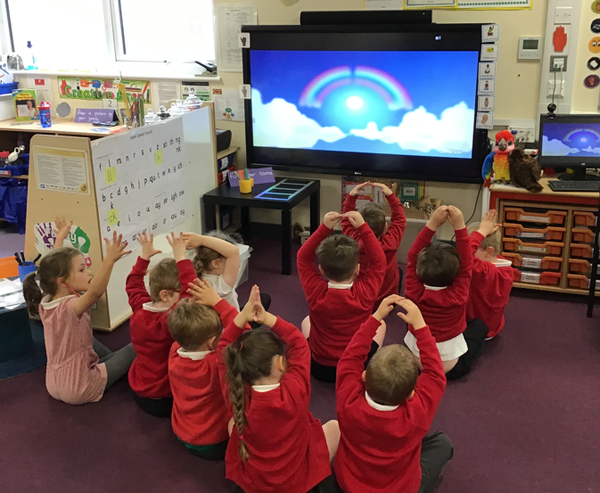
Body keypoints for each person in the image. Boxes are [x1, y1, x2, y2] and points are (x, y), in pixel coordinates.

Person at [218, 285, 339, 493]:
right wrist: (266, 318)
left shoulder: (237, 394)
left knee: (232, 424)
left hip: (256, 483)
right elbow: (298, 342)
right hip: (297, 482)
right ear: (281, 363)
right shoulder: (295, 389)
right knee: (335, 427)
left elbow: (222, 348)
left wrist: (242, 317)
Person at [334, 296, 452, 493]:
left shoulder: (348, 401)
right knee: (443, 443)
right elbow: (435, 375)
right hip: (400, 488)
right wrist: (421, 326)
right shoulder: (417, 413)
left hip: (350, 484)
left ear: (364, 376)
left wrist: (376, 318)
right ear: (411, 394)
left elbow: (349, 359)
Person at [36, 232, 136, 405]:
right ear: (62, 281)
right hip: (80, 386)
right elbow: (96, 292)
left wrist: (60, 238)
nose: (89, 272)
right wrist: (109, 260)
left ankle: (114, 363)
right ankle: (121, 368)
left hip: (54, 383)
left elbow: (51, 267)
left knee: (90, 340)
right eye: (82, 269)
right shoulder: (70, 307)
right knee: (134, 348)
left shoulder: (46, 302)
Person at [297, 211, 386, 383]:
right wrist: (363, 228)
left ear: (321, 269)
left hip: (320, 368)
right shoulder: (365, 292)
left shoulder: (315, 291)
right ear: (357, 269)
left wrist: (324, 228)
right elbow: (379, 262)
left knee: (307, 320)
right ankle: (373, 365)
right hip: (358, 366)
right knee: (380, 323)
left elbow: (303, 258)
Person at [404, 206, 487, 380]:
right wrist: (459, 226)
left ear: (418, 271)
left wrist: (432, 224)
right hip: (453, 368)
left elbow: (412, 256)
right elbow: (467, 263)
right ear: (456, 275)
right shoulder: (458, 294)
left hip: (415, 365)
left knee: (410, 319)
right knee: (479, 325)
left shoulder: (413, 291)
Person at [126, 231, 197, 417]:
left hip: (139, 392)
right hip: (165, 399)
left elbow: (133, 284)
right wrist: (180, 257)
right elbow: (190, 293)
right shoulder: (169, 321)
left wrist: (144, 257)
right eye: (179, 292)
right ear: (165, 295)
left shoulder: (140, 309)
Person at [167, 278, 239, 460]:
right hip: (213, 442)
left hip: (182, 433)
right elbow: (243, 334)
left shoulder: (175, 351)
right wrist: (218, 302)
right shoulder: (216, 363)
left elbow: (184, 325)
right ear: (212, 342)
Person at [342, 181, 407, 304]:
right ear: (385, 227)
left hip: (361, 299)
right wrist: (390, 196)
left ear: (356, 226)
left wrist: (351, 198)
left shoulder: (353, 240)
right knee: (399, 271)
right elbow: (400, 220)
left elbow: (345, 220)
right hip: (387, 301)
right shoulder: (391, 242)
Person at [183, 231, 271, 320]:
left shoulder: (194, 277)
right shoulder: (222, 286)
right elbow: (233, 252)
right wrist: (201, 240)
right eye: (233, 262)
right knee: (264, 300)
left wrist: (200, 243)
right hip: (232, 323)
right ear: (216, 263)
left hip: (211, 323)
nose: (238, 265)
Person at [467, 210, 513, 340]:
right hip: (493, 326)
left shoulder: (483, 271)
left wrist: (482, 231)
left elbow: (465, 256)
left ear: (488, 252)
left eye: (474, 248)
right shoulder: (506, 268)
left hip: (474, 329)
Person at [23, 216, 72, 319]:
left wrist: (59, 239)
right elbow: (94, 293)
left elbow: (54, 265)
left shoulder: (50, 301)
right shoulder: (65, 307)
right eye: (81, 270)